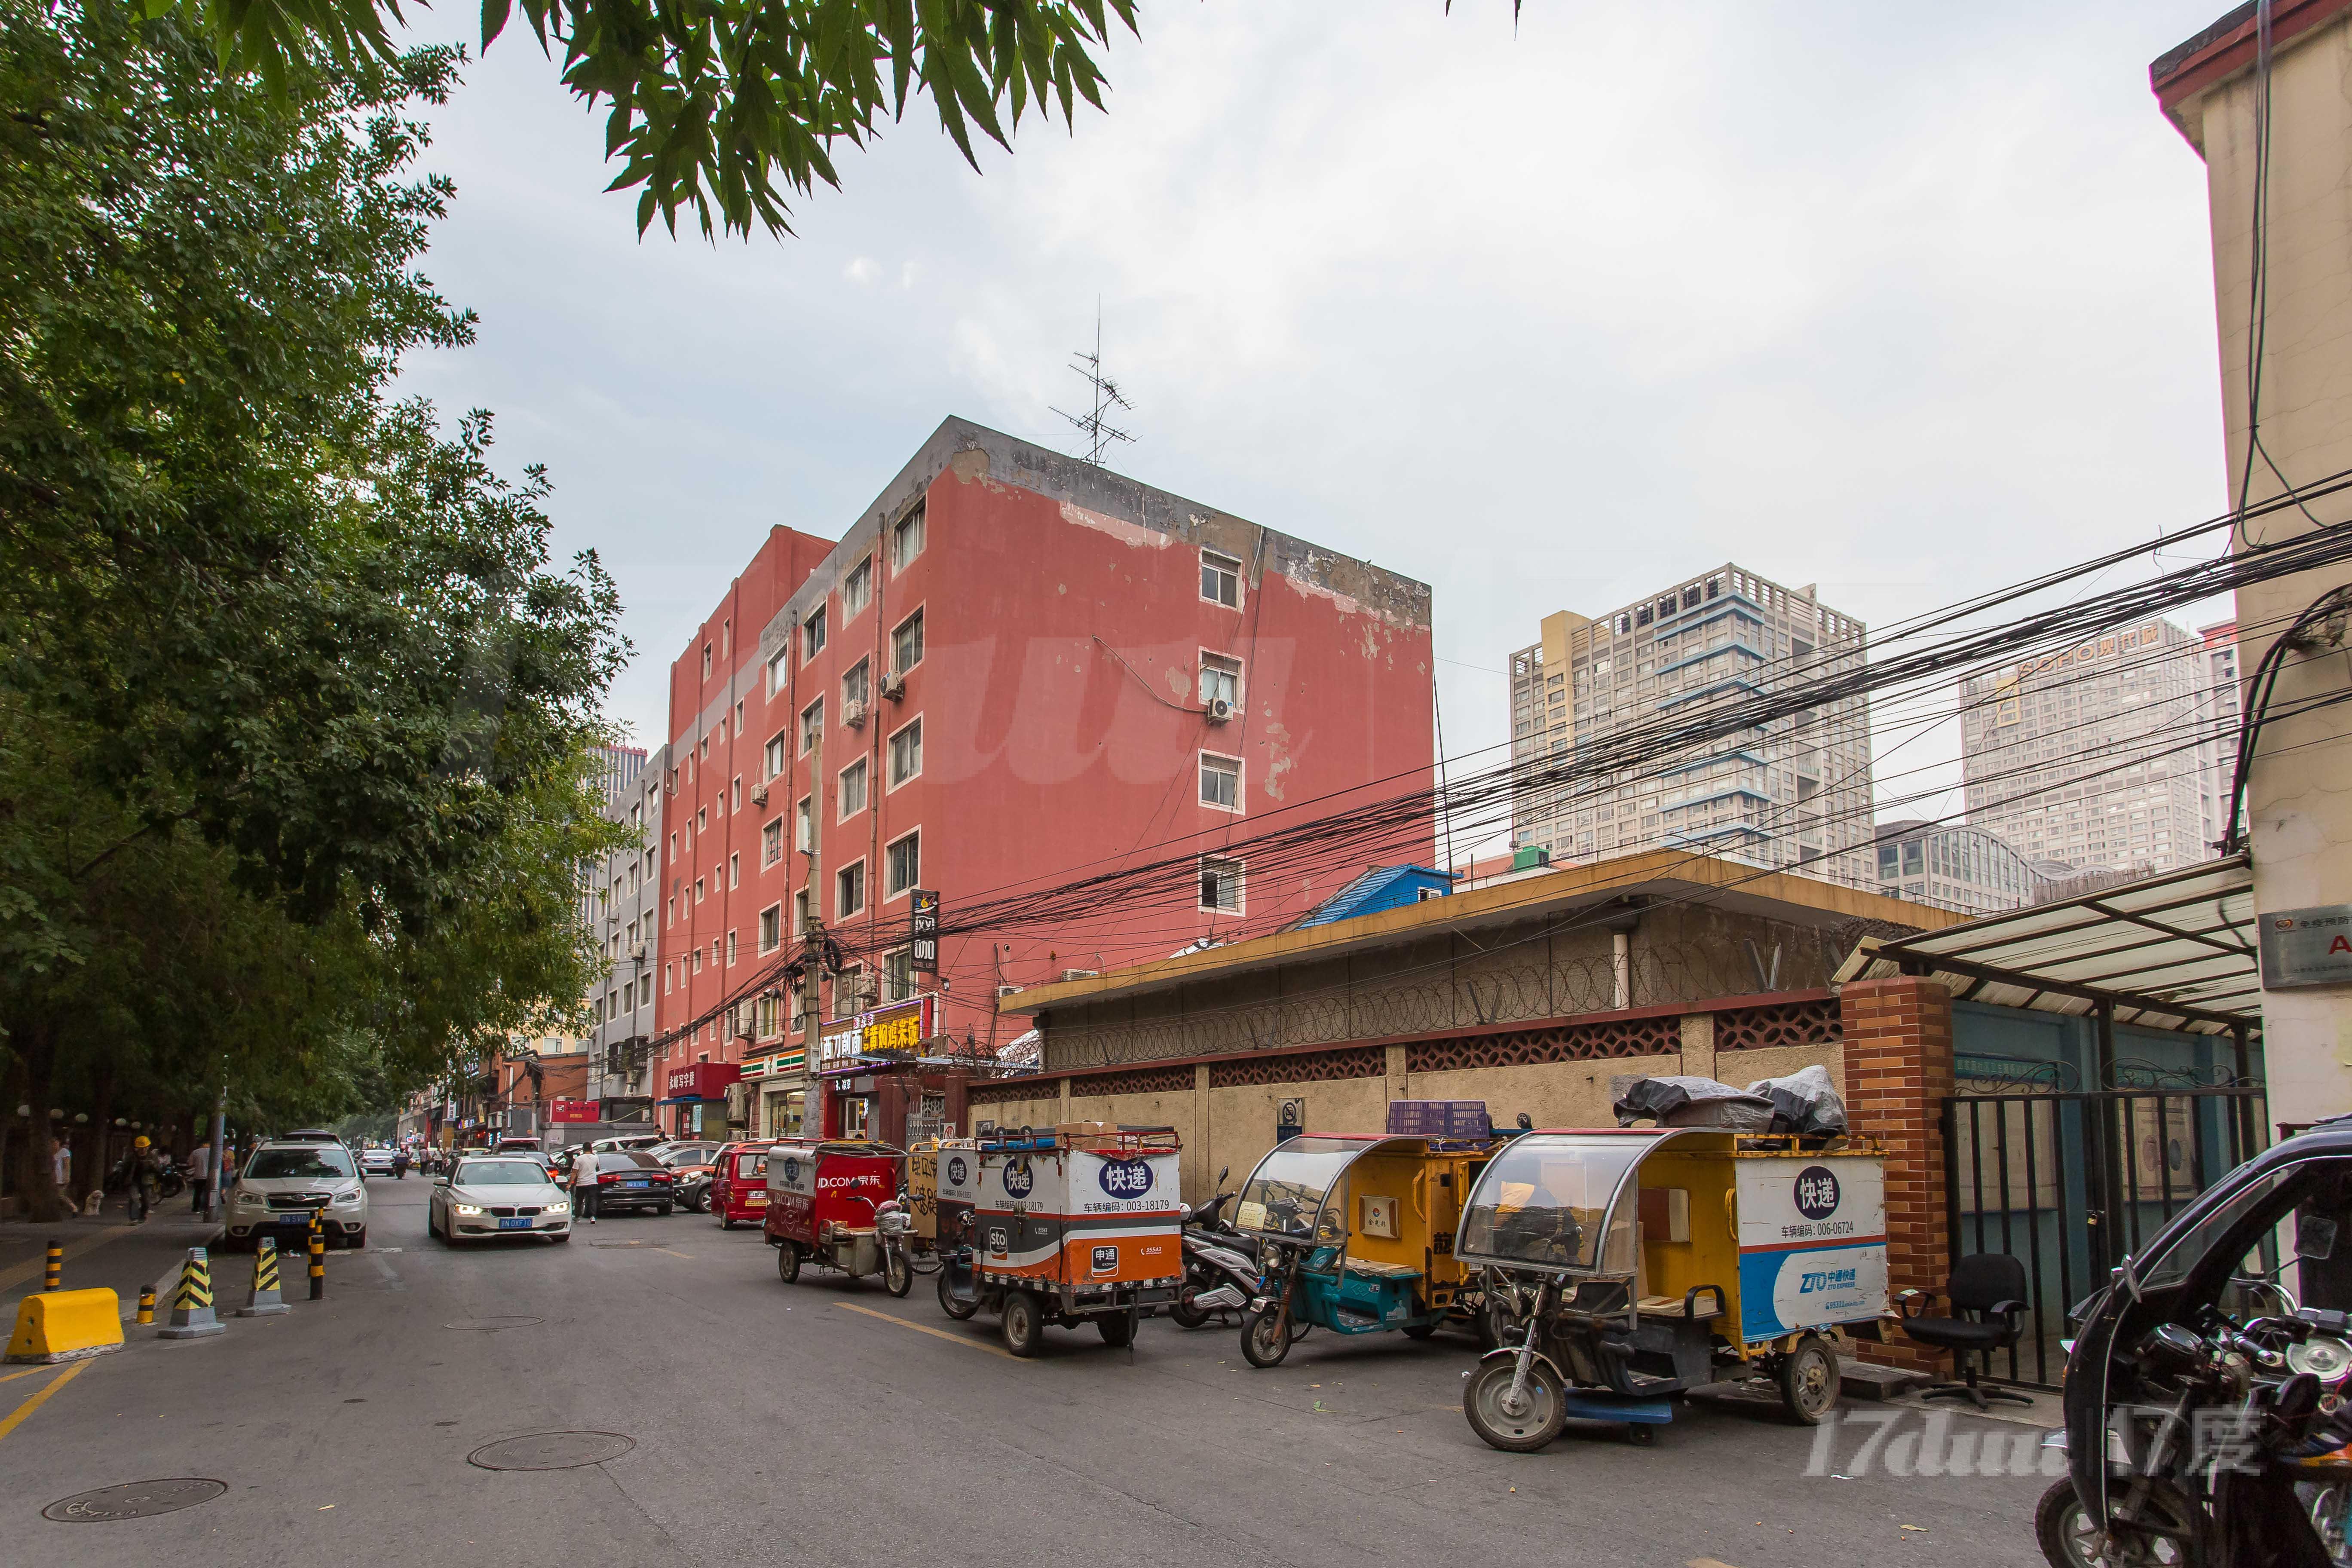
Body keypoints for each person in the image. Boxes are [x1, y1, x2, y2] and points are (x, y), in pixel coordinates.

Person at [127, 1136, 160, 1222]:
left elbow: (158, 1170)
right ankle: (134, 1218)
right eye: (141, 1148)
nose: (143, 1150)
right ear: (137, 1148)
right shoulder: (132, 1157)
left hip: (147, 1181)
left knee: (146, 1201)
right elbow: (125, 1169)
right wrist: (123, 1181)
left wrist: (152, 1165)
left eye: (145, 1148)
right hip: (134, 1180)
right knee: (134, 1199)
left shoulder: (152, 1156)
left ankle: (142, 1216)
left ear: (148, 1147)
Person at [571, 1145, 600, 1225]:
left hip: (581, 1183)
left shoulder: (579, 1159)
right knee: (592, 1200)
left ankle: (577, 1217)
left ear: (583, 1149)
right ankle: (593, 1217)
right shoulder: (596, 1158)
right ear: (591, 1149)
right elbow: (597, 1167)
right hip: (593, 1182)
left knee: (579, 1201)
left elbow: (574, 1172)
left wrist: (570, 1183)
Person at [187, 1139, 212, 1213]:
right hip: (210, 1176)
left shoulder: (195, 1152)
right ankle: (206, 1208)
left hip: (198, 1175)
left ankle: (196, 1208)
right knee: (208, 1192)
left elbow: (190, 1164)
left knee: (198, 1192)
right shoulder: (212, 1152)